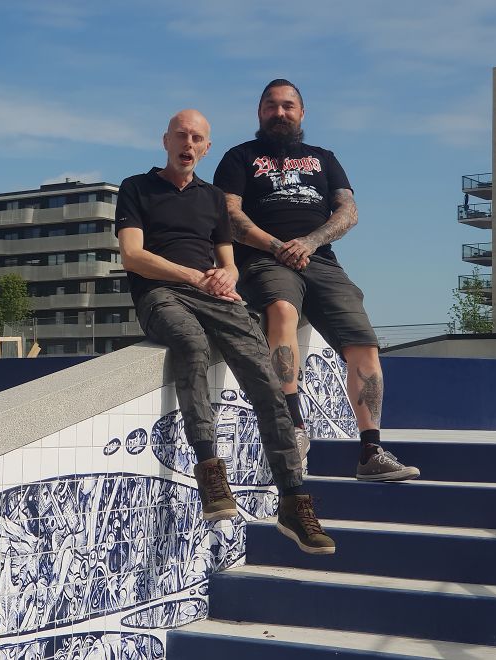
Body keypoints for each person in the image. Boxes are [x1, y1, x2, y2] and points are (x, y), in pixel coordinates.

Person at [116, 108, 335, 554]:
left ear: (206, 146)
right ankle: (209, 469)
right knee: (192, 345)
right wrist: (194, 276)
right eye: (181, 136)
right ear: (166, 140)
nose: (188, 144)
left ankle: (293, 498)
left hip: (212, 294)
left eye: (197, 138)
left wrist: (226, 277)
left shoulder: (213, 197)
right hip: (161, 294)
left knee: (264, 373)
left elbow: (228, 260)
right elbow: (133, 256)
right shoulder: (137, 187)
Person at [213, 79, 420, 482]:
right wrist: (277, 246)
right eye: (271, 106)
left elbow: (348, 212)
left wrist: (309, 242)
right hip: (263, 259)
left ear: (301, 113)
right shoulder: (239, 158)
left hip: (320, 260)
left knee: (364, 344)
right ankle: (294, 427)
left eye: (288, 106)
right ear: (259, 113)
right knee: (282, 311)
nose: (280, 113)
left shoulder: (323, 158)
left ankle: (371, 450)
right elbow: (229, 216)